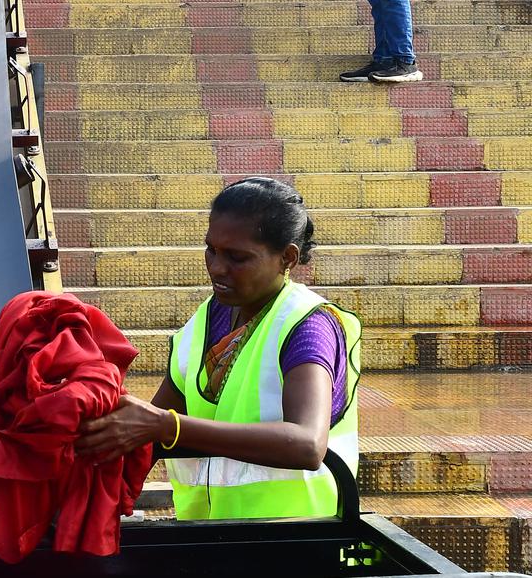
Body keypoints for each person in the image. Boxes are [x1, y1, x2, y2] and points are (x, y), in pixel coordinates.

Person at [76, 177, 362, 520]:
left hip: (295, 540)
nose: (216, 267)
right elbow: (148, 433)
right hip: (208, 537)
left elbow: (307, 444)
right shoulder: (205, 322)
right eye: (211, 249)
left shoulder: (307, 326)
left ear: (287, 257)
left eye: (237, 257)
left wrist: (168, 427)